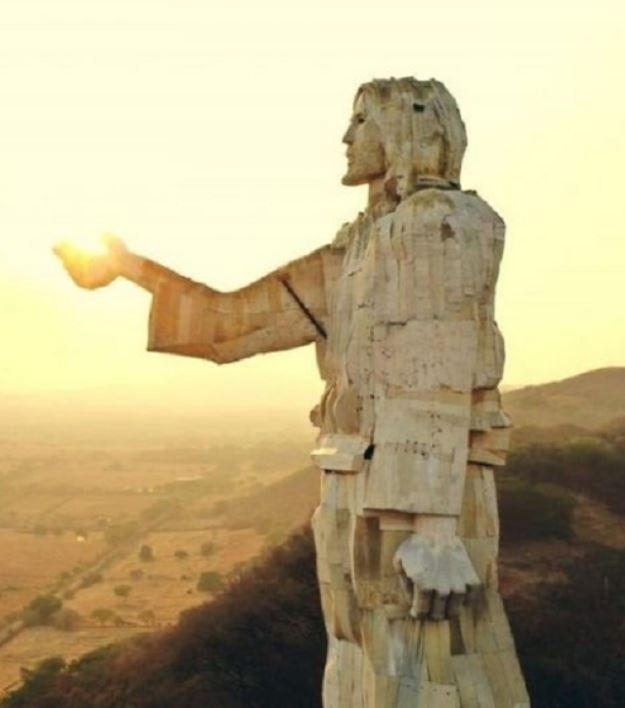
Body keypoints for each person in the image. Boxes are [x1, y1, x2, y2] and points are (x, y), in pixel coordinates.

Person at [56, 77, 530, 708]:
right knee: (360, 664)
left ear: (407, 128)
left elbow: (435, 368)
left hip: (417, 496)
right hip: (354, 480)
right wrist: (129, 268)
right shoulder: (355, 246)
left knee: (428, 673)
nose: (346, 137)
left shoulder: (440, 224)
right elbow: (236, 320)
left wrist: (436, 528)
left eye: (361, 121)